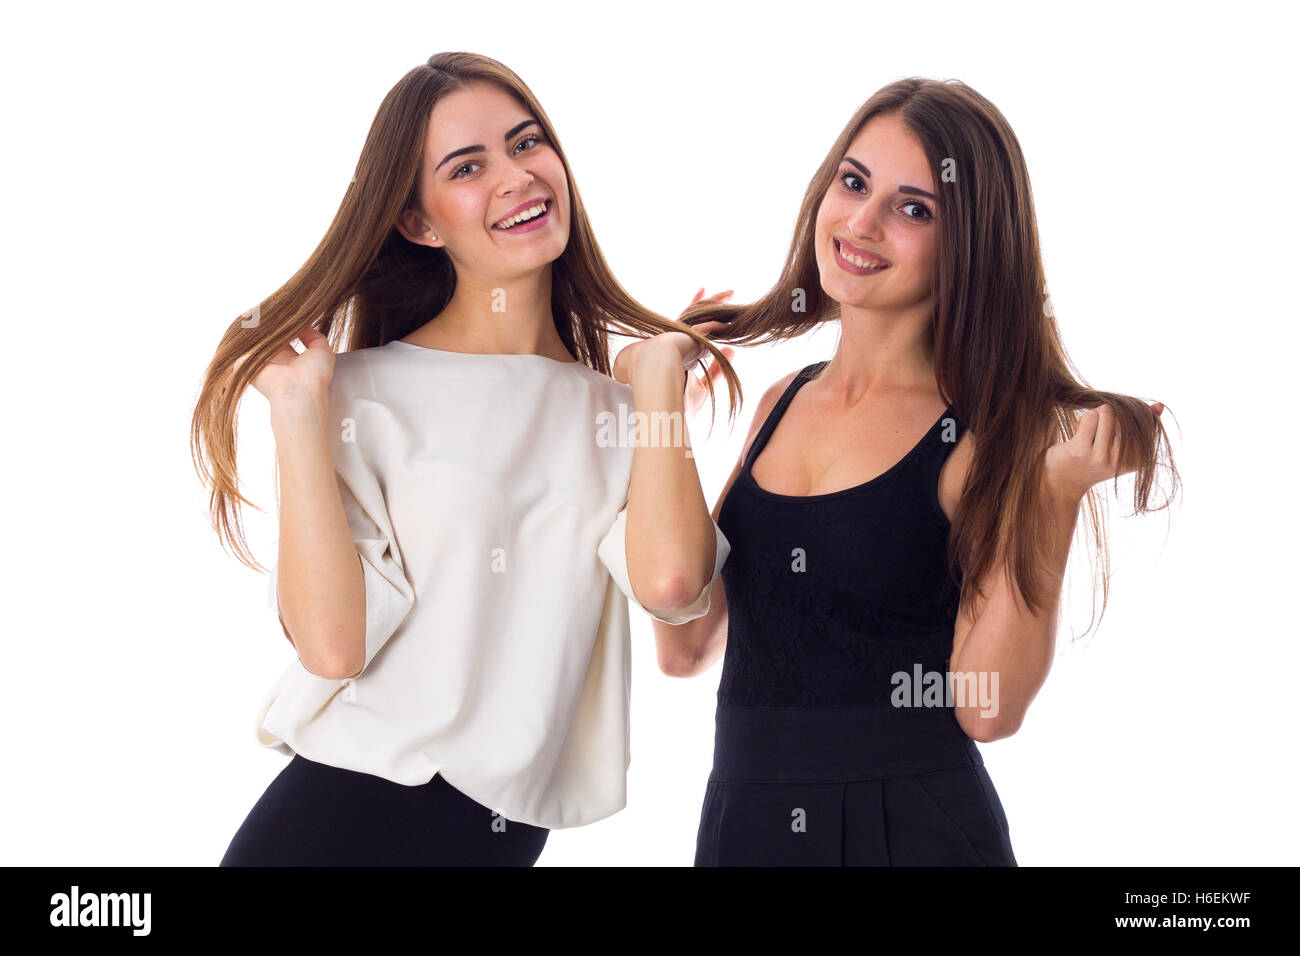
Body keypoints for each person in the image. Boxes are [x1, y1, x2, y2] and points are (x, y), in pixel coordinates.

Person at [189, 52, 738, 866]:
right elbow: (333, 648)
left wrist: (656, 390)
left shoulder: (623, 417)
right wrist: (299, 413)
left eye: (527, 144)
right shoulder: (359, 394)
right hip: (338, 822)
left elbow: (676, 604)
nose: (517, 177)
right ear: (420, 222)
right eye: (469, 166)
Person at [662, 77, 1180, 866]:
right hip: (743, 822)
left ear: (969, 241)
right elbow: (685, 644)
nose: (861, 223)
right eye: (854, 181)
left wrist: (1058, 493)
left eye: (914, 209)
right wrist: (652, 417)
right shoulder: (777, 402)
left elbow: (987, 709)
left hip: (913, 831)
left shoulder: (987, 434)